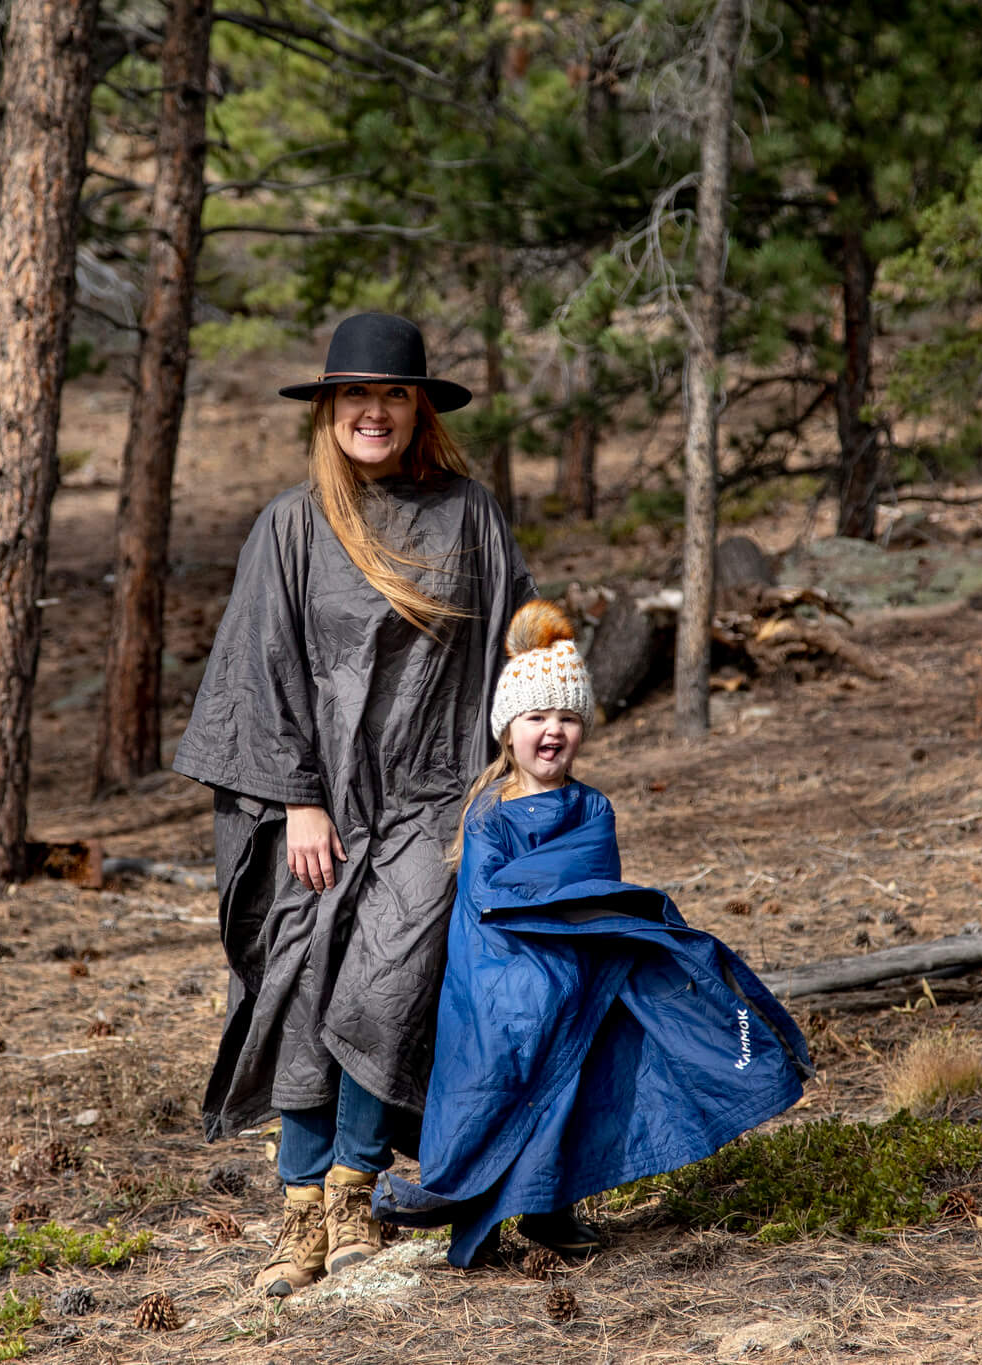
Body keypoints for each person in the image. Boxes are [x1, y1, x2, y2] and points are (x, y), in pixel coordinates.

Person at [171, 313, 534, 1297]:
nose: (373, 411)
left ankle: (353, 1196)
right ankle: (295, 1219)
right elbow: (262, 670)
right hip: (316, 806)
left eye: (393, 395)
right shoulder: (291, 526)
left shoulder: (469, 517)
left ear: (420, 409)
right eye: (354, 396)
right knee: (302, 986)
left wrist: (525, 754)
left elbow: (517, 644)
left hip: (428, 799)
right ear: (329, 409)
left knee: (385, 989)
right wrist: (295, 797)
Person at [374, 600, 815, 1267]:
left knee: (569, 1091)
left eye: (568, 718)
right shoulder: (487, 813)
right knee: (487, 1085)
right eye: (536, 717)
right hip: (493, 982)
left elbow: (589, 887)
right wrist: (529, 951)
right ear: (507, 729)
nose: (552, 731)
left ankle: (550, 1207)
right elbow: (493, 900)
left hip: (577, 970)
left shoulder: (592, 807)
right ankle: (472, 1207)